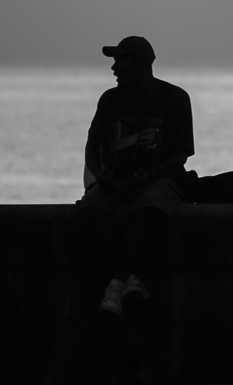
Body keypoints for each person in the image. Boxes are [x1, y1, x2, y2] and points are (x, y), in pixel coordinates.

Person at [77, 35, 194, 316]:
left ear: (141, 64)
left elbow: (181, 154)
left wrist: (151, 174)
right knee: (91, 208)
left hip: (158, 179)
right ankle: (129, 280)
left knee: (148, 209)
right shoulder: (110, 99)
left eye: (120, 61)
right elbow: (92, 147)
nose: (114, 68)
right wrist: (102, 175)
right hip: (114, 179)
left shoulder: (175, 98)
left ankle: (115, 283)